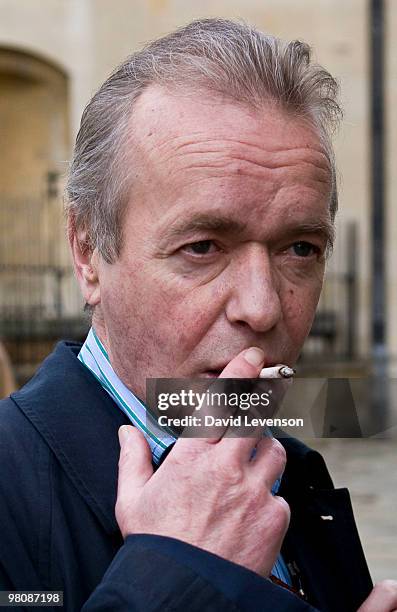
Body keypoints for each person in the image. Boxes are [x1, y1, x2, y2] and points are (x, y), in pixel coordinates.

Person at [0, 18, 396, 612]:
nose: (262, 309)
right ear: (87, 253)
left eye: (300, 250)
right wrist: (178, 573)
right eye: (203, 248)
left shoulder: (290, 470)